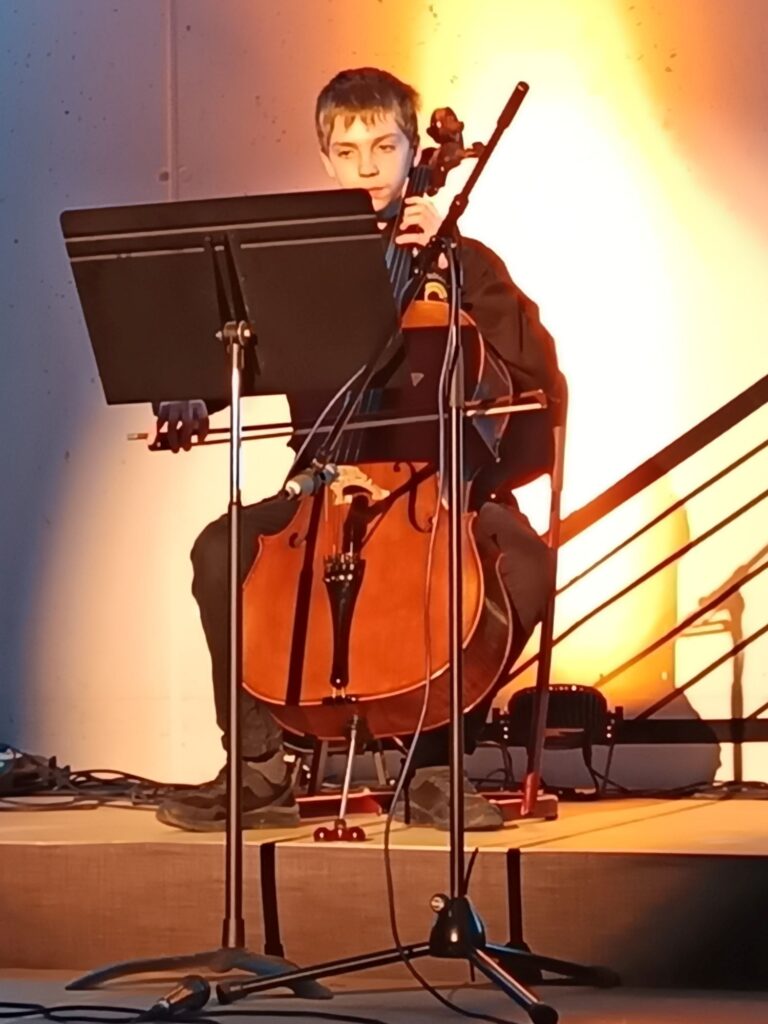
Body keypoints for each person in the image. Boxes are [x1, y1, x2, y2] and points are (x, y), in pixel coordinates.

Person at [154, 67, 562, 833]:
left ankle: (436, 766)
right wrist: (192, 397)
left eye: (384, 146)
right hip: (323, 486)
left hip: (441, 487)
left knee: (526, 565)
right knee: (220, 549)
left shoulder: (464, 261)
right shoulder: (304, 269)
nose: (367, 166)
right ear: (326, 160)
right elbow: (247, 352)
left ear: (412, 151)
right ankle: (258, 768)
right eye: (347, 151)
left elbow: (535, 382)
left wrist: (450, 272)